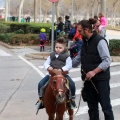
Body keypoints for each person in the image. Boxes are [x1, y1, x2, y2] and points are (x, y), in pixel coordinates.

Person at [72, 19, 114, 120]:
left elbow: (107, 61)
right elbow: (77, 60)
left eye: (80, 31)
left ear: (87, 29)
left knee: (106, 107)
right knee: (92, 108)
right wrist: (61, 63)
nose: (79, 33)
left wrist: (94, 71)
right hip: (88, 81)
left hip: (101, 80)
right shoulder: (84, 43)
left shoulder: (100, 41)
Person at [36, 37, 76, 110]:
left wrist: (61, 69)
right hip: (51, 75)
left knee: (72, 84)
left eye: (60, 47)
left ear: (64, 48)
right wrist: (48, 67)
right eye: (56, 47)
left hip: (63, 75)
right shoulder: (51, 55)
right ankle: (41, 99)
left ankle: (71, 99)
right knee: (40, 83)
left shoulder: (67, 56)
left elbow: (69, 65)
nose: (58, 49)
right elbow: (46, 63)